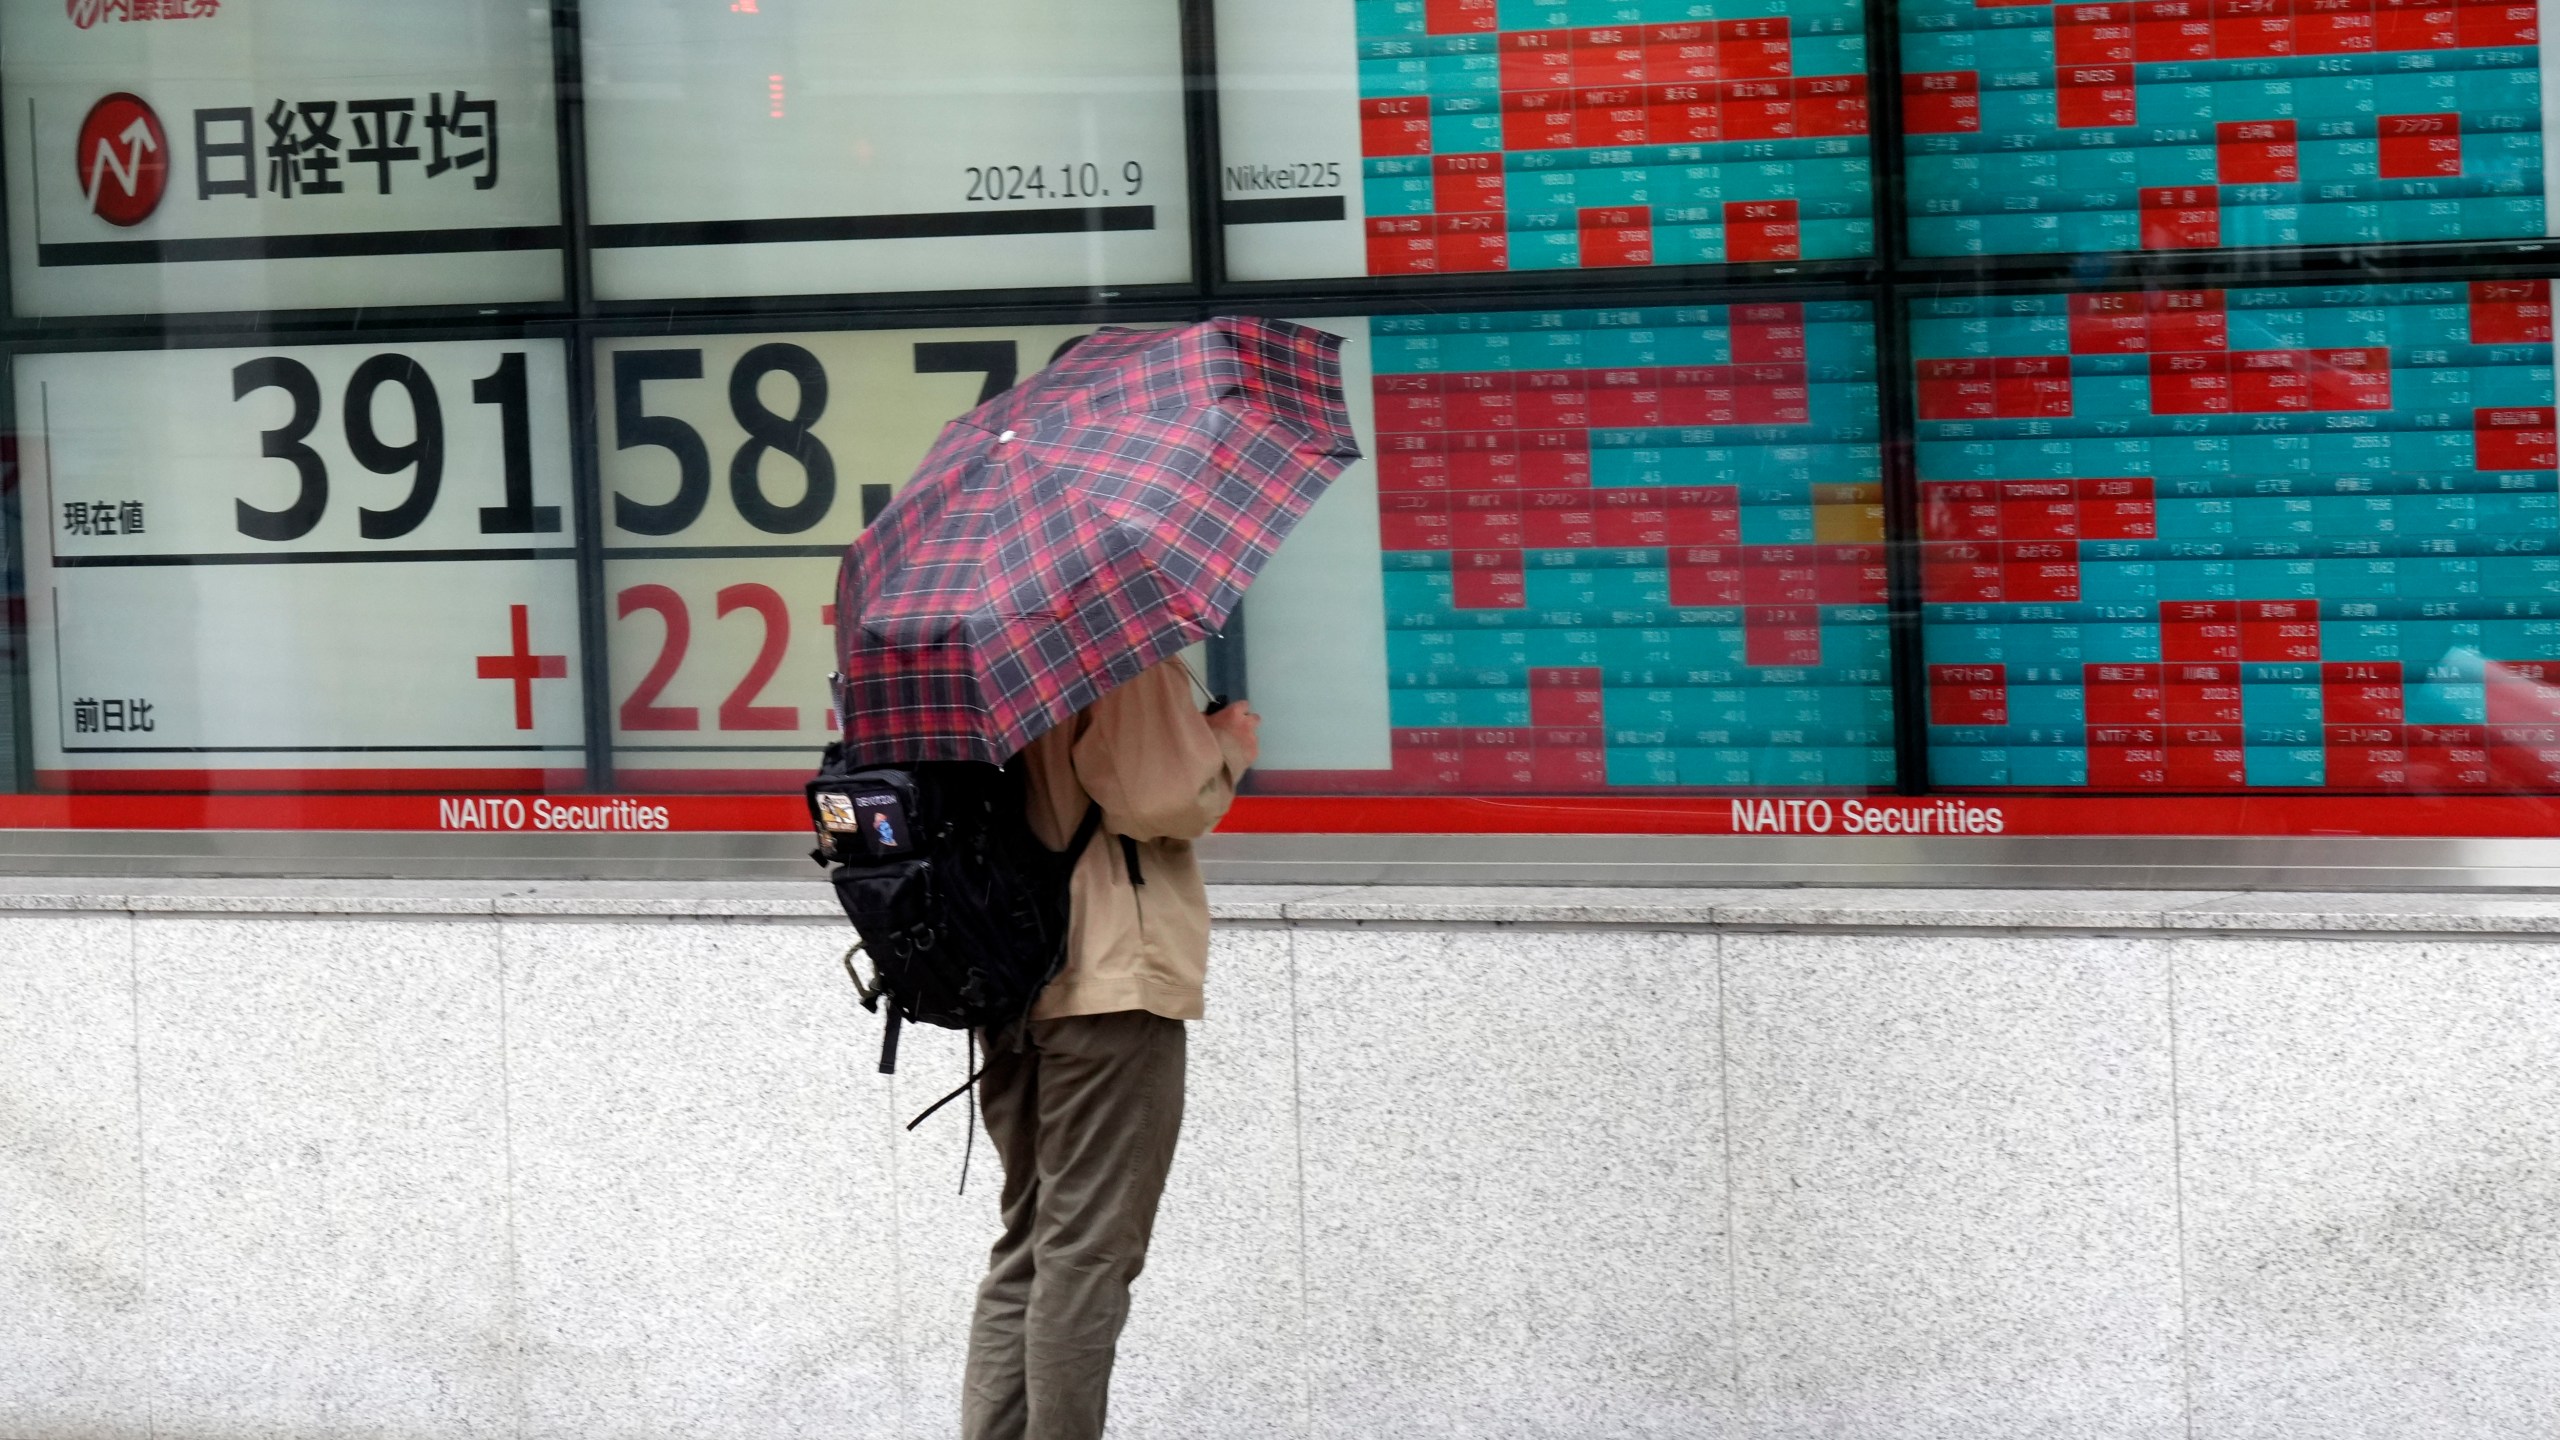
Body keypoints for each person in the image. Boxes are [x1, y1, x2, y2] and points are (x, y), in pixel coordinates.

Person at [961, 653, 1260, 1440]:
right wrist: (1226, 744)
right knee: (1086, 1253)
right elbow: (1158, 797)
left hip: (1006, 977)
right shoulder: (1107, 645)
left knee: (1030, 1243)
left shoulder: (967, 643)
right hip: (1108, 975)